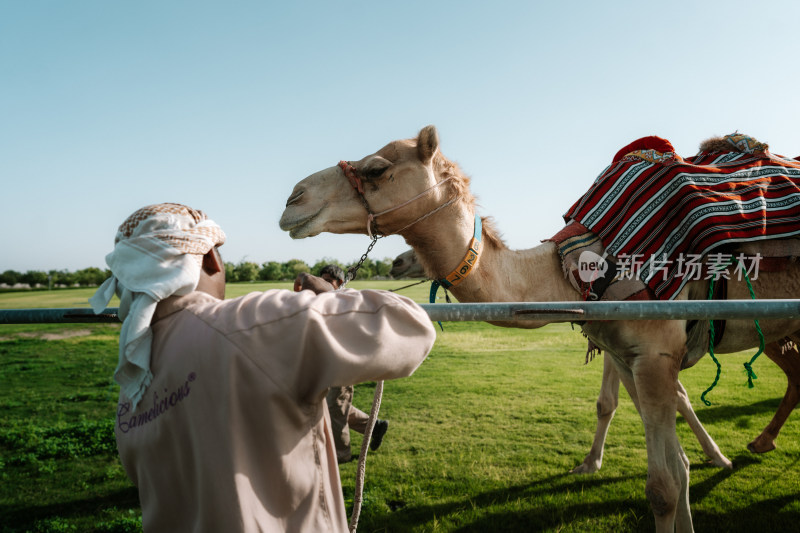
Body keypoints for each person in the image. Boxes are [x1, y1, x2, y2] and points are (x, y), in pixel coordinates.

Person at [89, 203, 436, 532]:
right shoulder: (251, 324)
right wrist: (330, 297)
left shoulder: (132, 379)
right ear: (210, 258)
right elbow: (409, 327)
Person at [313, 264, 390, 463]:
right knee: (333, 404)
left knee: (335, 407)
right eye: (322, 280)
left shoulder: (347, 298)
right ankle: (374, 426)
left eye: (329, 280)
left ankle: (342, 455)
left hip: (342, 363)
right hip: (325, 362)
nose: (325, 284)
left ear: (340, 283)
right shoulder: (323, 300)